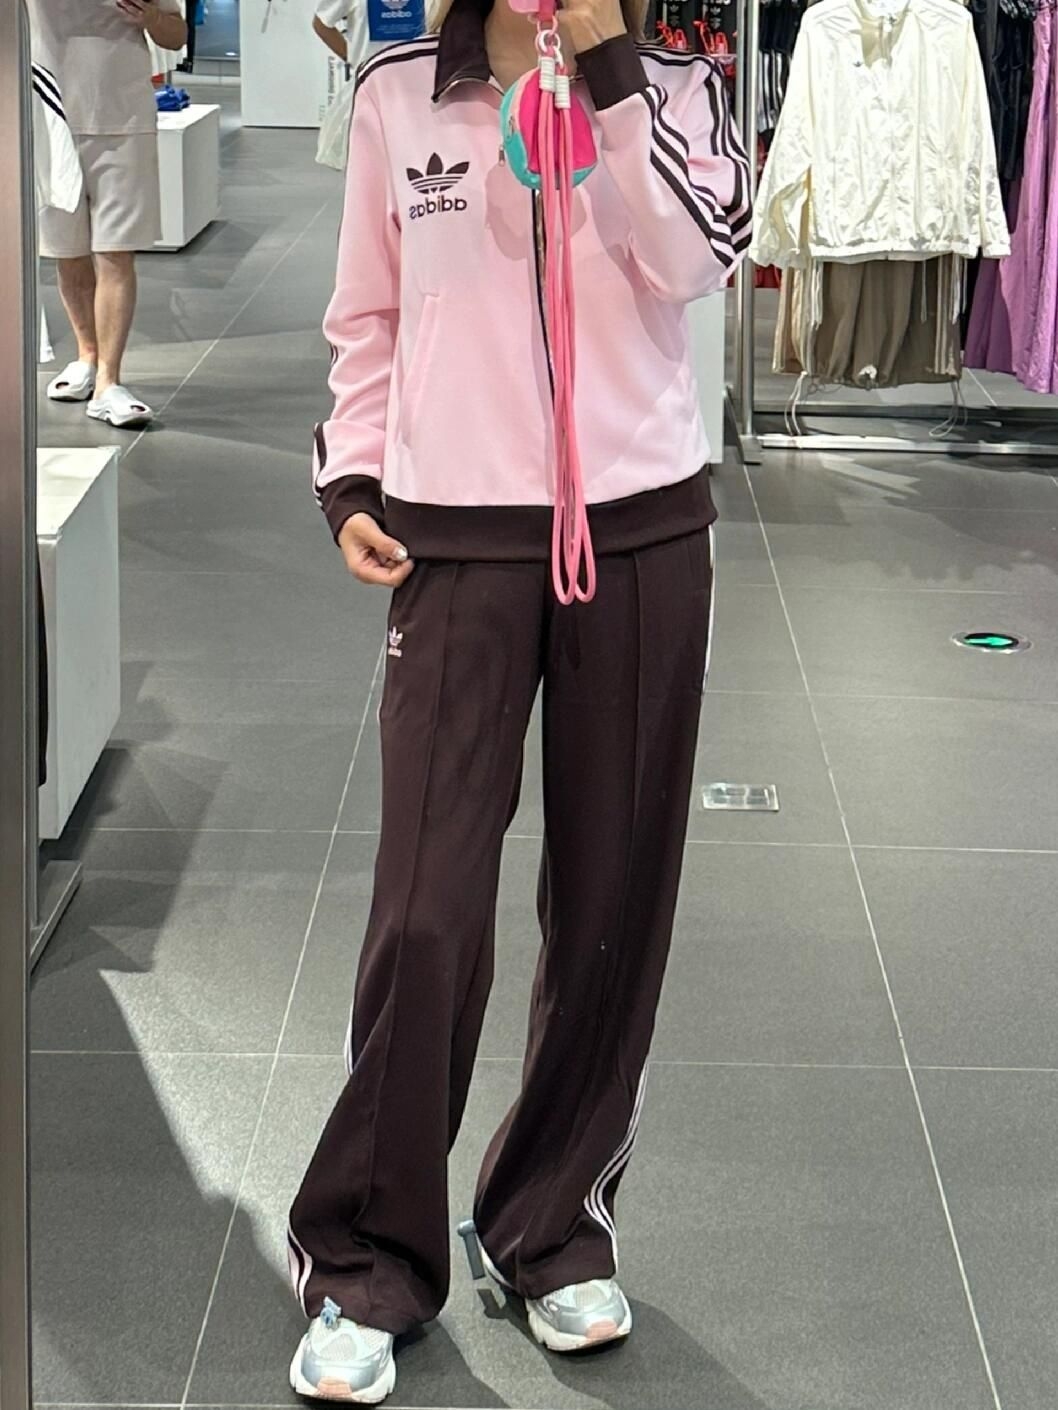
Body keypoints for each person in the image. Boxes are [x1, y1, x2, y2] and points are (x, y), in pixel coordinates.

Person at [288, 0, 750, 1400]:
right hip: (454, 539)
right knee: (425, 905)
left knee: (611, 899)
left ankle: (549, 1224)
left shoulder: (678, 81)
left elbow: (693, 259)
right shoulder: (397, 92)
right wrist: (352, 474)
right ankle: (367, 1256)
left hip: (640, 529)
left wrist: (610, 73)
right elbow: (366, 310)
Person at [28, 0, 187, 429]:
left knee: (116, 251)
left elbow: (176, 34)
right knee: (67, 250)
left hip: (123, 116)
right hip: (48, 112)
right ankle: (87, 356)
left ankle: (108, 381)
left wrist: (150, 17)